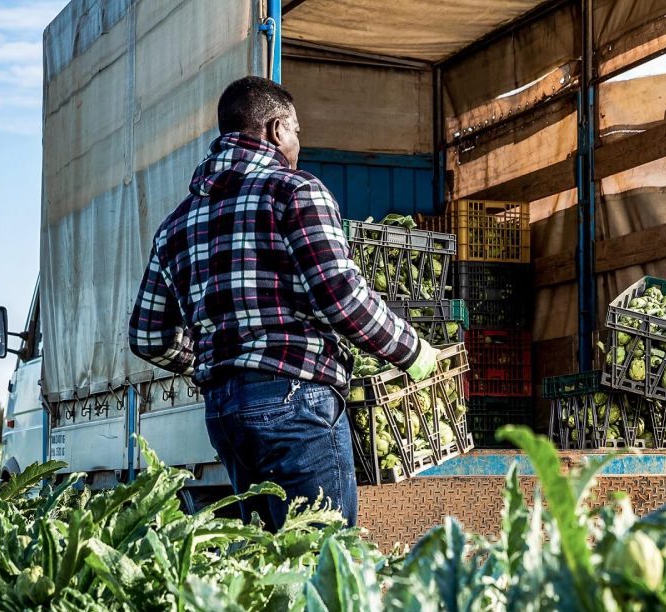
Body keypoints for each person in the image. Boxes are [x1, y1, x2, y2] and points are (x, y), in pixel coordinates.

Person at [128, 76, 438, 531]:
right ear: (276, 129)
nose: (298, 145)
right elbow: (342, 297)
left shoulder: (176, 223)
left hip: (225, 413)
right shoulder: (293, 190)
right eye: (296, 132)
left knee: (270, 563)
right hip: (295, 400)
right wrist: (414, 352)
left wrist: (221, 358)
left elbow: (147, 336)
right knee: (322, 560)